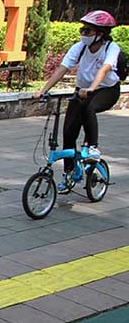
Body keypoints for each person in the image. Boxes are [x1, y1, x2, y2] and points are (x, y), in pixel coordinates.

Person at [36, 10, 121, 190]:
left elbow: (104, 69)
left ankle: (93, 148)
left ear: (100, 34)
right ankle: (69, 174)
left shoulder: (111, 48)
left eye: (87, 31)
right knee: (69, 132)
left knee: (89, 106)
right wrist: (43, 90)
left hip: (106, 90)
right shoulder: (79, 47)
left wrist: (91, 88)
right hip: (82, 91)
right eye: (82, 30)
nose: (83, 34)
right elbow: (62, 69)